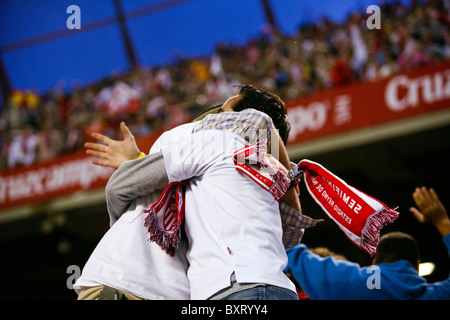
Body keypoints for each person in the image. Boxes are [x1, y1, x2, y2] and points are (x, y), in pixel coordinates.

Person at [75, 85, 317, 300]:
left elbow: (120, 185)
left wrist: (126, 221)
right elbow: (293, 233)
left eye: (220, 108)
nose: (210, 115)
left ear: (231, 112)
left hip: (213, 286)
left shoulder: (206, 137)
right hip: (272, 287)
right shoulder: (271, 176)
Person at [285, 186, 450, 299]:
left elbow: (290, 252)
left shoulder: (352, 281)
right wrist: (442, 222)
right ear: (417, 267)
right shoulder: (437, 295)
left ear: (375, 263)